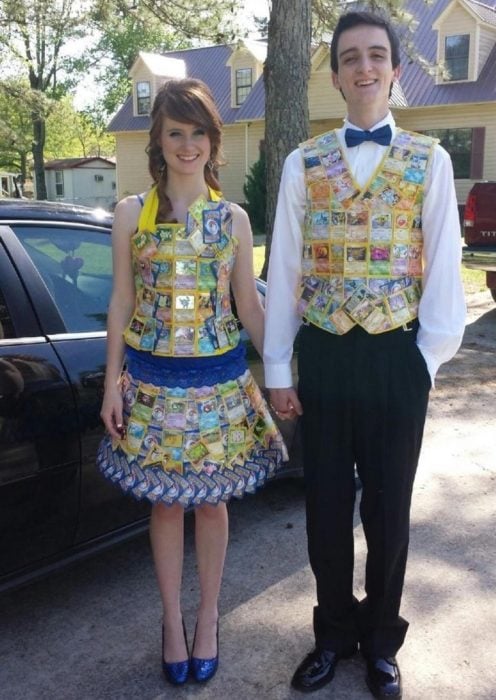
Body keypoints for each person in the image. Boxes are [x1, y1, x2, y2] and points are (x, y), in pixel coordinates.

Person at [264, 11, 465, 699]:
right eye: (350, 57)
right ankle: (331, 636)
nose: (364, 68)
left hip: (394, 358)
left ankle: (381, 642)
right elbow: (285, 265)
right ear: (334, 74)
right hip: (322, 352)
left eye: (377, 55)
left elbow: (444, 266)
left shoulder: (429, 161)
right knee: (324, 508)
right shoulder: (301, 162)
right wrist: (280, 367)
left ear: (395, 67)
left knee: (388, 510)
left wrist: (426, 360)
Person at [97, 78, 286, 686]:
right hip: (151, 385)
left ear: (212, 140)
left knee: (210, 507)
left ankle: (208, 618)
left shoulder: (232, 219)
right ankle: (172, 622)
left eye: (197, 132)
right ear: (158, 138)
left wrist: (283, 372)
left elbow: (249, 309)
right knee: (164, 507)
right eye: (175, 132)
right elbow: (121, 304)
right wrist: (109, 385)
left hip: (219, 384)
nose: (186, 144)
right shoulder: (131, 213)